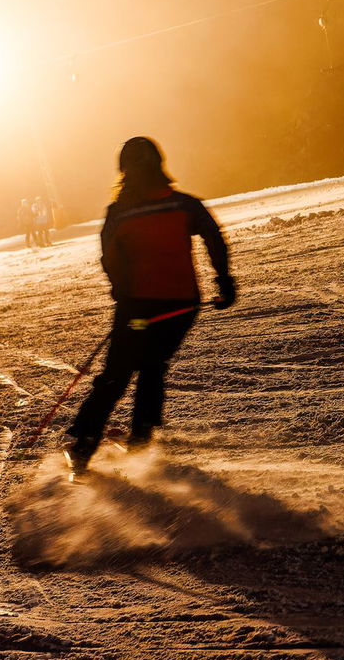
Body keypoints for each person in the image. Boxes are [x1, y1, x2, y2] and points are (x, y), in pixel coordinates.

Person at [64, 136, 236, 477]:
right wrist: (225, 281)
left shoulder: (119, 212)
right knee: (153, 365)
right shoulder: (183, 204)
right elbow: (214, 237)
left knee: (118, 371)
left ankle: (84, 444)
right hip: (181, 307)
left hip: (140, 311)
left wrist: (121, 292)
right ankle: (141, 438)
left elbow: (110, 258)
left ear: (124, 171)